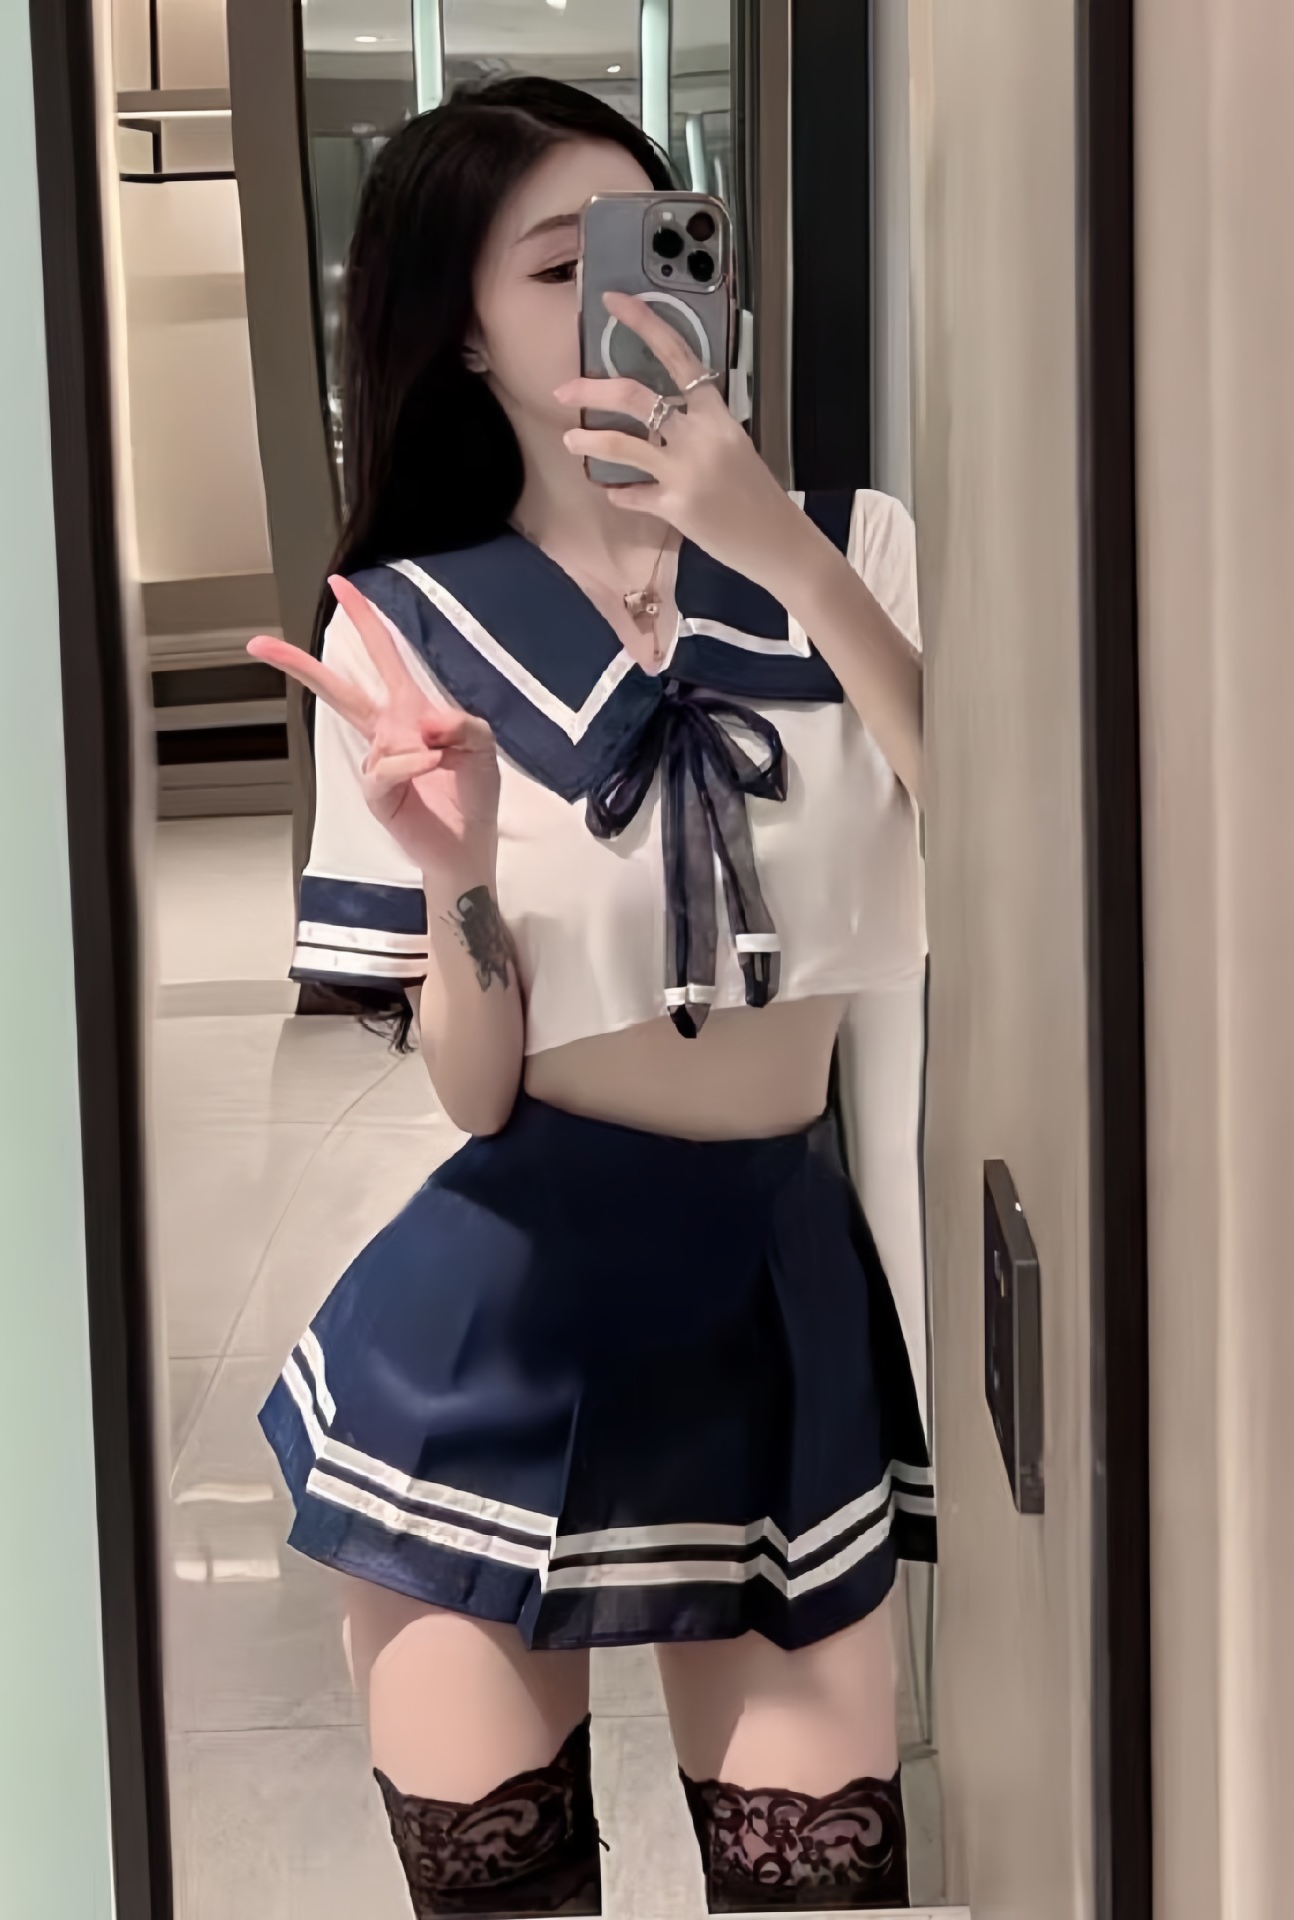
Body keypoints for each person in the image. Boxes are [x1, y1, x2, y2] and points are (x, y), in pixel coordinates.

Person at [248, 76, 933, 1917]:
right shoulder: (401, 627)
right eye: (560, 268)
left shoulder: (855, 550)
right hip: (505, 1321)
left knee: (821, 1888)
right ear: (464, 331)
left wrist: (775, 540)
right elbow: (475, 1095)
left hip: (775, 1293)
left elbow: (1010, 831)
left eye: (653, 246)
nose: (622, 301)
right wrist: (459, 867)